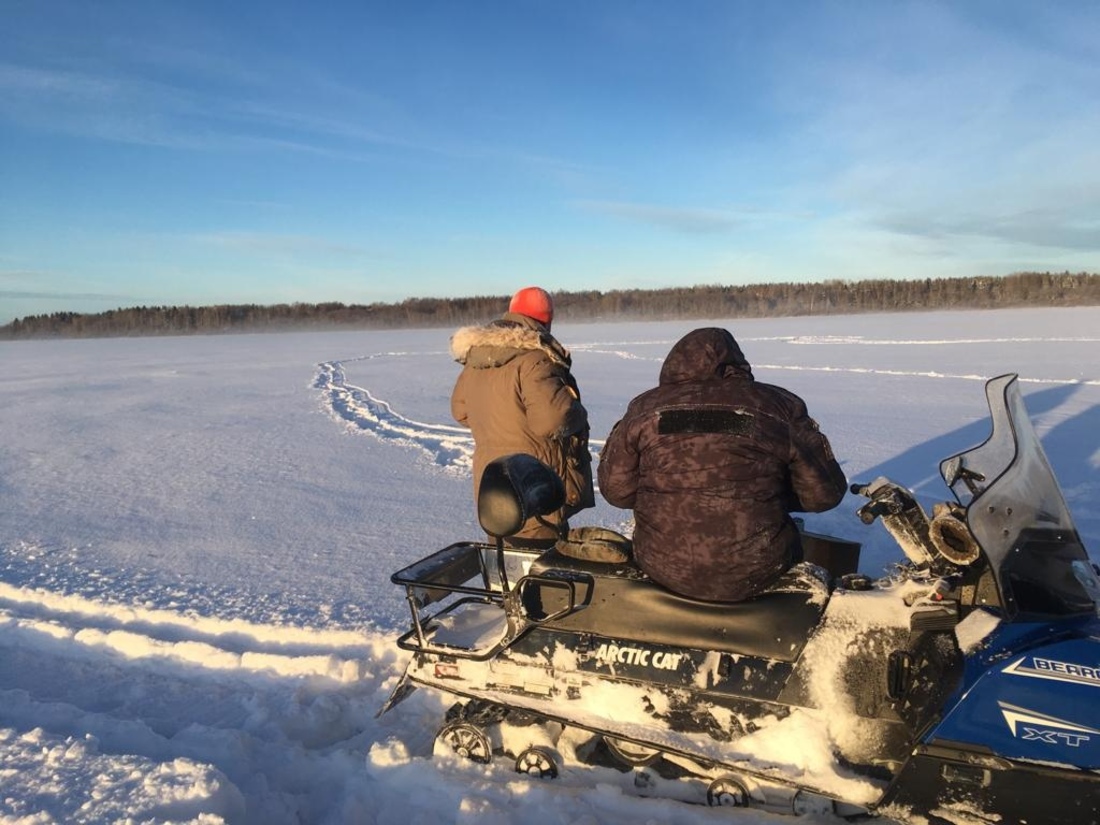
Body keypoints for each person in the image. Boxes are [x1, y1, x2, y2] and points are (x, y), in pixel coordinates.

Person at [597, 327, 846, 602]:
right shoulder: (777, 405)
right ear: (735, 365)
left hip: (662, 565)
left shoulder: (645, 408)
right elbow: (824, 495)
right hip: (758, 567)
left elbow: (616, 491)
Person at [451, 286, 594, 545]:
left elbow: (460, 411)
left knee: (503, 560)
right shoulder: (535, 359)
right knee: (539, 568)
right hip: (535, 484)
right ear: (546, 319)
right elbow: (553, 418)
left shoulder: (478, 359)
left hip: (492, 487)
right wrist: (578, 413)